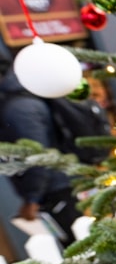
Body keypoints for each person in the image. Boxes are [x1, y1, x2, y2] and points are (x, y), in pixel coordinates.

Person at [0, 68, 82, 248]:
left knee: (77, 246)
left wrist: (32, 199)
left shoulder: (18, 108)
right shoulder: (17, 99)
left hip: (55, 189)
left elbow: (39, 156)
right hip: (54, 186)